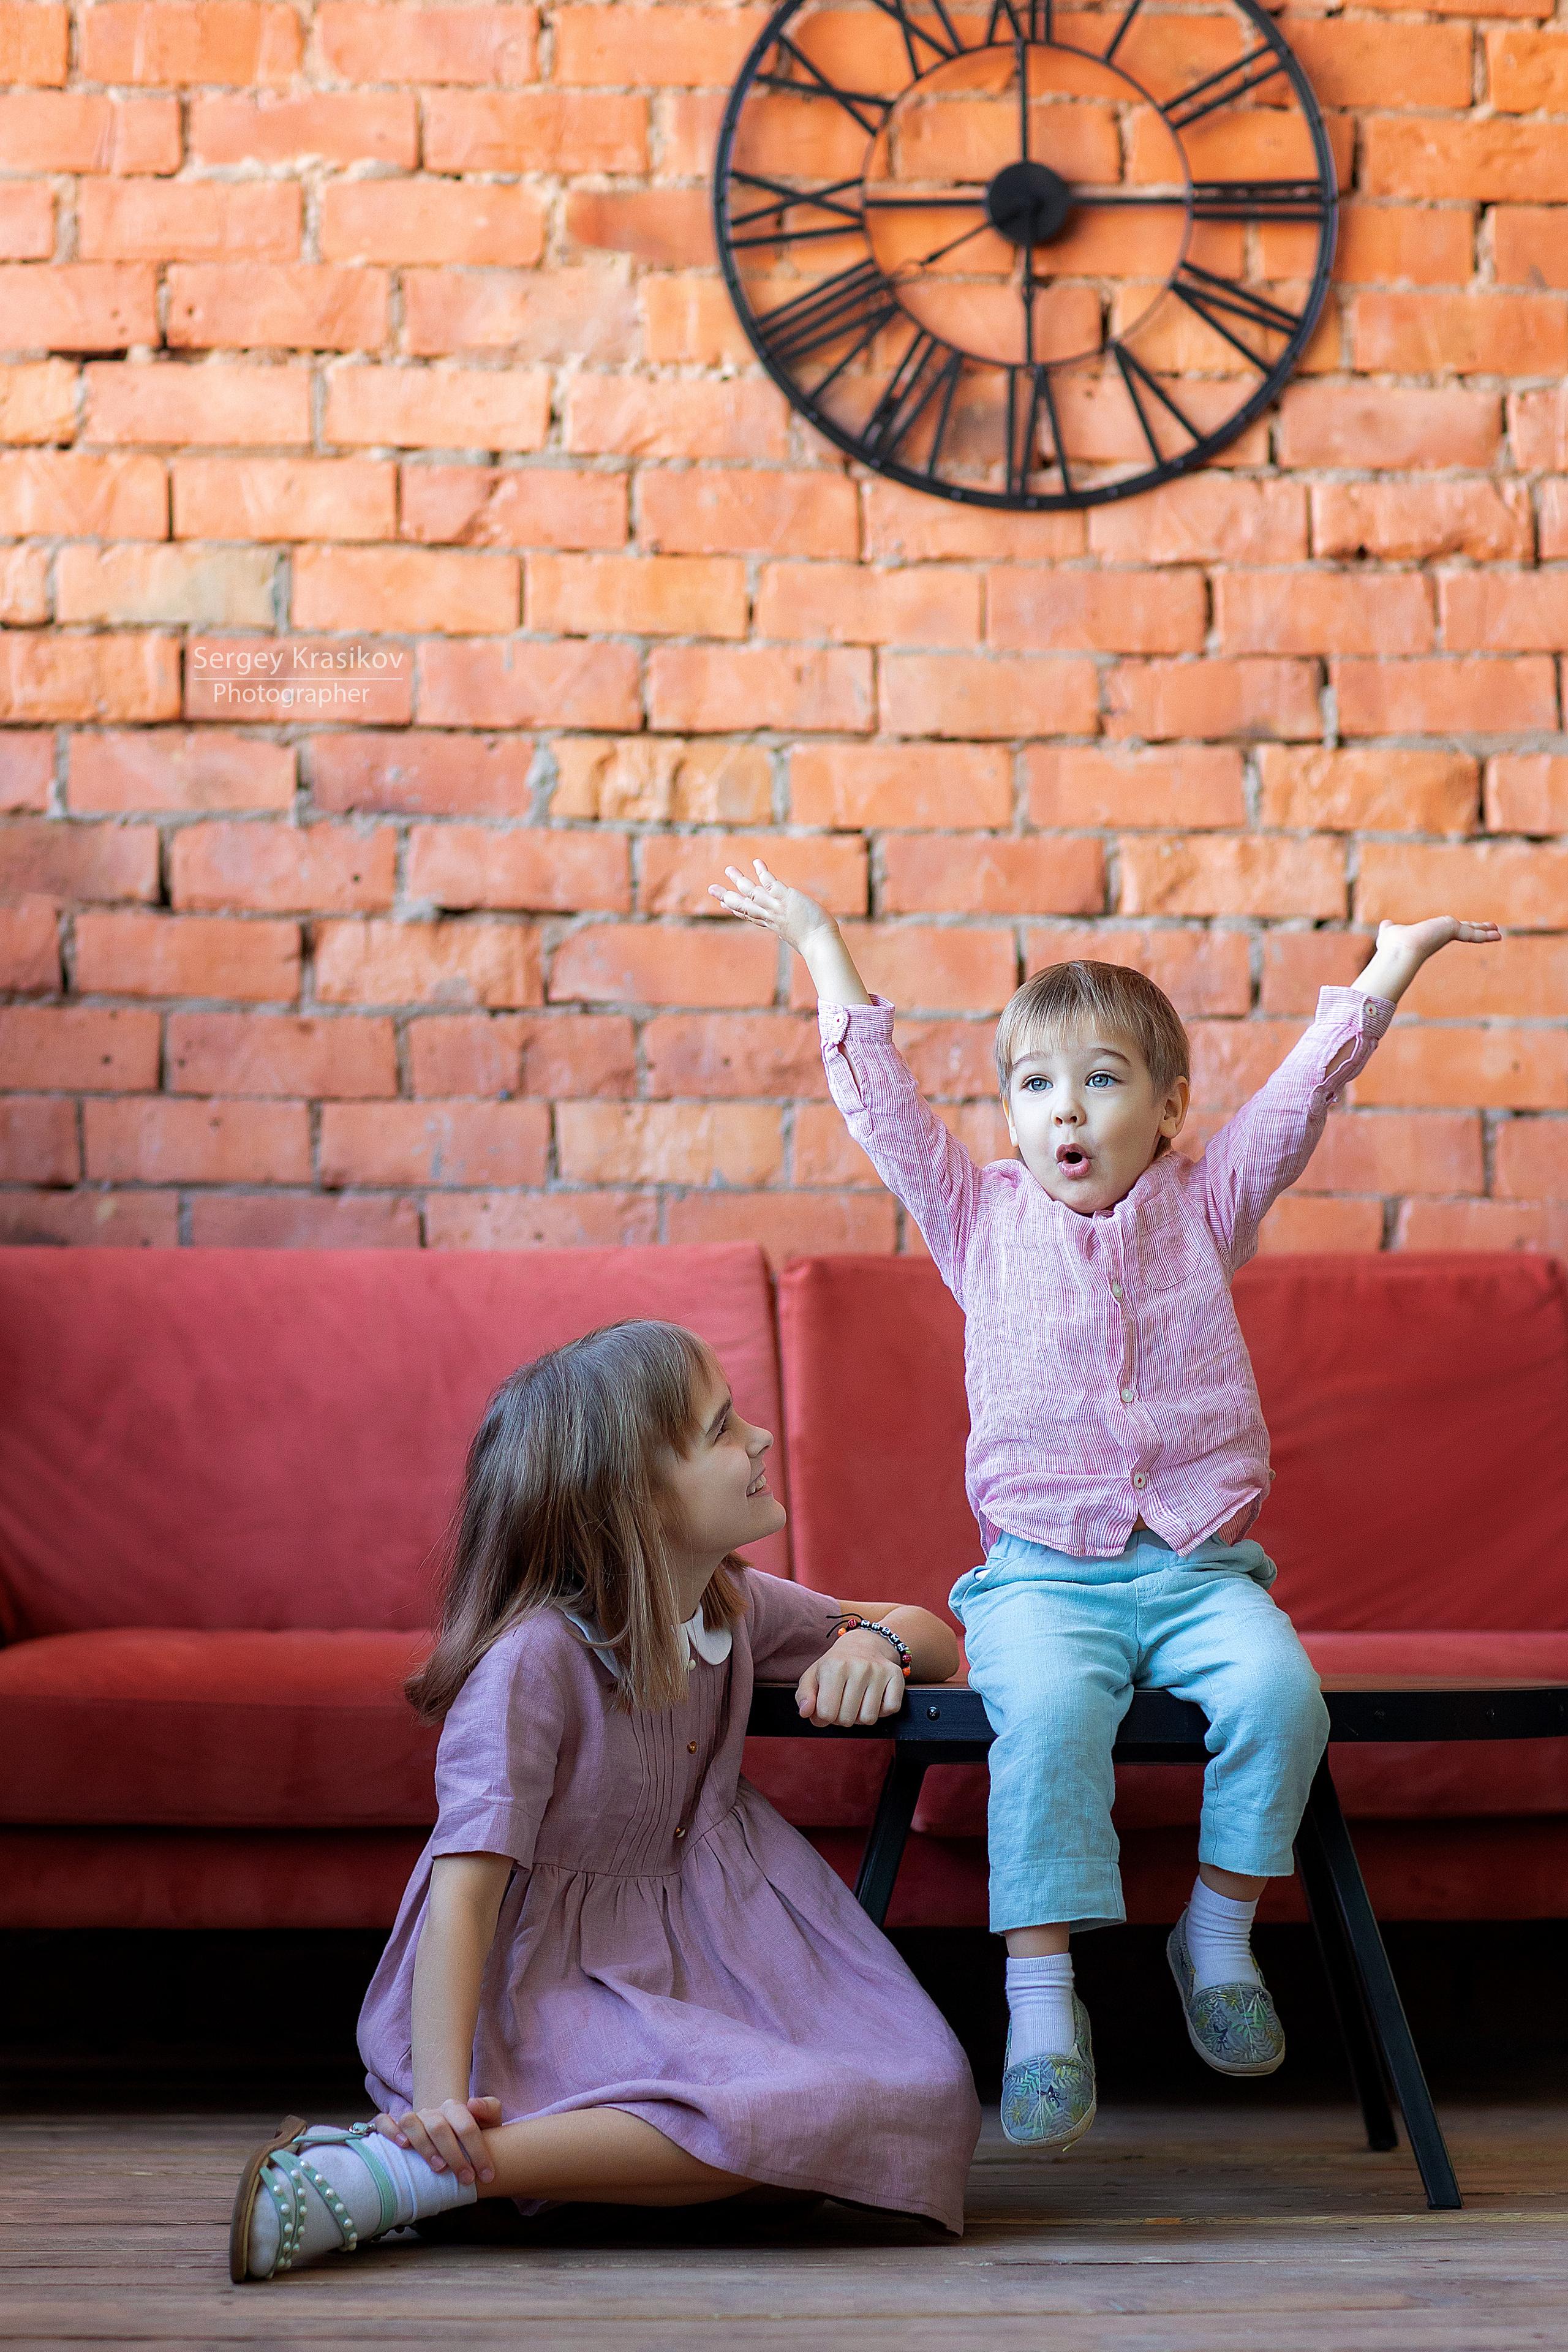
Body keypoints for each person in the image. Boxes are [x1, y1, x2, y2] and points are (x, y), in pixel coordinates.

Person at [711, 859, 1499, 2155]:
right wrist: (816, 941)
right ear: (1010, 1117)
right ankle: (1040, 2006)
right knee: (1045, 1723)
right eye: (1034, 1086)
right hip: (1039, 1580)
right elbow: (882, 1108)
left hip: (1199, 1572)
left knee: (1280, 1698)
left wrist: (1389, 966)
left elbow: (1301, 1095)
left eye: (1100, 1080)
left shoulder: (1207, 1202)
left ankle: (1215, 1934)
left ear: (1168, 1107)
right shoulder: (975, 1218)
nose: (1064, 1109)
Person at [230, 1319, 979, 2280]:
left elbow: (931, 1633)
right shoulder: (533, 1663)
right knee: (781, 2127)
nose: (758, 1438)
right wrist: (440, 2101)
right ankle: (410, 2165)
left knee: (924, 2094)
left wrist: (875, 1645)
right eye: (721, 1429)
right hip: (550, 1981)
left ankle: (442, 2179)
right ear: (636, 1500)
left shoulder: (727, 1603)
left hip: (712, 1952)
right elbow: (464, 1896)